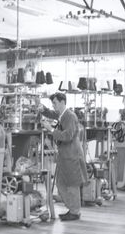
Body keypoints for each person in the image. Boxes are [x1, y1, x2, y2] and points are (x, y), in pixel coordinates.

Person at [38, 92, 88, 221]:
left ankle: (75, 212)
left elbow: (67, 136)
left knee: (72, 184)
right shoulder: (62, 114)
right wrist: (43, 110)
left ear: (62, 102)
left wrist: (51, 130)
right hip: (65, 154)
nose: (53, 106)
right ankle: (71, 208)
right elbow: (52, 114)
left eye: (54, 103)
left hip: (72, 154)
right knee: (60, 183)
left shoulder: (70, 116)